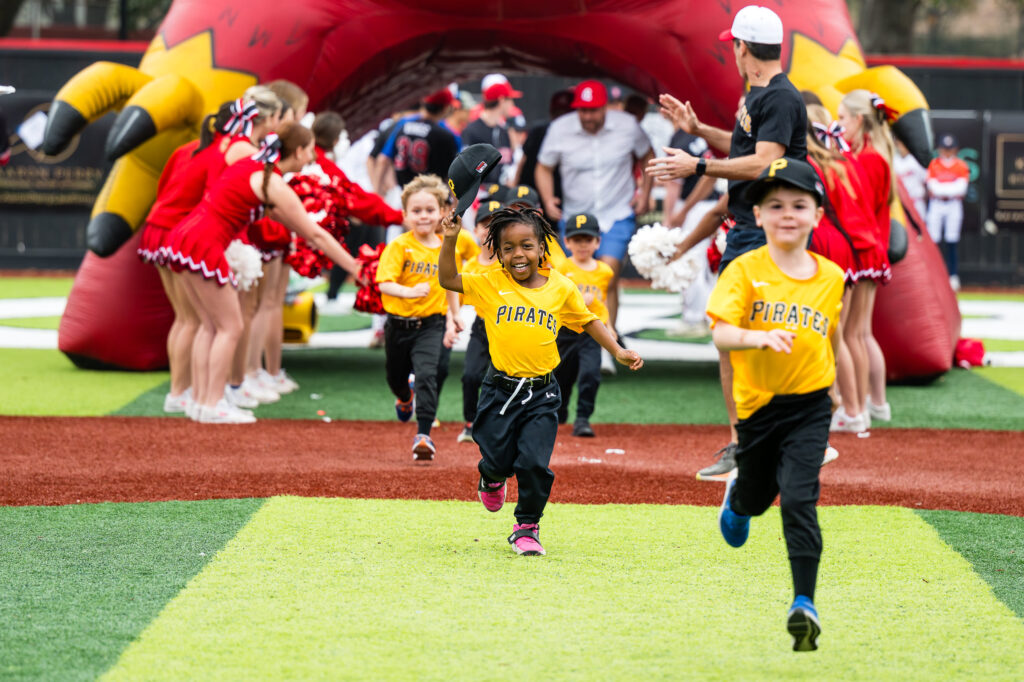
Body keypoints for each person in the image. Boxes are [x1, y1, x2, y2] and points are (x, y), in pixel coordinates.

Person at [440, 151, 643, 556]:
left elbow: (587, 322)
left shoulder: (561, 287)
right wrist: (448, 238)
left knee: (534, 462)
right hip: (499, 390)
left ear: (542, 248)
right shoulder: (487, 281)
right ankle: (492, 478)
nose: (518, 254)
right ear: (496, 250)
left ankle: (527, 526)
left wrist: (617, 350)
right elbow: (447, 277)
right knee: (496, 456)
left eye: (527, 246)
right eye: (509, 247)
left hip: (542, 394)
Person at [647, 5, 807, 480]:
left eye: (732, 44)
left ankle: (768, 439)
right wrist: (699, 133)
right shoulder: (761, 95)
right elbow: (744, 154)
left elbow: (762, 163)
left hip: (762, 233)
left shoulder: (777, 97)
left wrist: (696, 164)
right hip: (747, 228)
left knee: (740, 340)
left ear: (742, 47)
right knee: (739, 341)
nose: (731, 52)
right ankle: (761, 439)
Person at [707, 157, 843, 652]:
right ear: (758, 215)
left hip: (810, 407)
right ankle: (739, 496)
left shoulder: (831, 277)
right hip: (759, 409)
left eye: (799, 205)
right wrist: (758, 338)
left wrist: (839, 394)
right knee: (759, 498)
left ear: (817, 214)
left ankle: (804, 603)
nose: (788, 214)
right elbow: (720, 331)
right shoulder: (745, 269)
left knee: (800, 497)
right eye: (776, 205)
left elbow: (832, 337)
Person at [166, 122, 363, 423]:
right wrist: (353, 267)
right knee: (230, 327)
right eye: (309, 151)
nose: (311, 158)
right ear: (298, 151)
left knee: (210, 325)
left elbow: (289, 222)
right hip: (204, 243)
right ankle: (212, 403)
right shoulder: (272, 182)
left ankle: (202, 401)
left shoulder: (254, 165)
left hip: (186, 236)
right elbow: (316, 235)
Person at [536, 79, 653, 337]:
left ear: (605, 107)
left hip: (617, 212)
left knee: (607, 274)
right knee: (572, 276)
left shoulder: (627, 125)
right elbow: (543, 166)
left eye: (593, 110)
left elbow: (647, 155)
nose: (587, 116)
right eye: (583, 110)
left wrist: (645, 192)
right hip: (576, 214)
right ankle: (572, 333)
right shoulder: (559, 129)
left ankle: (606, 337)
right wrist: (547, 199)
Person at [375, 174, 460, 460]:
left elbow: (451, 285)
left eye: (430, 210)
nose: (423, 216)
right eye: (417, 211)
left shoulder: (447, 248)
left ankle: (424, 434)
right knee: (395, 377)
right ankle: (403, 395)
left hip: (431, 324)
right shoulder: (399, 246)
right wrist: (409, 292)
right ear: (405, 215)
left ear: (442, 213)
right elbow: (384, 283)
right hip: (398, 325)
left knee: (427, 375)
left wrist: (454, 317)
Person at [804, 104, 868, 434]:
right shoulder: (838, 160)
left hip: (823, 242)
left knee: (834, 331)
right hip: (845, 245)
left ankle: (847, 406)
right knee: (849, 332)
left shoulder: (809, 163)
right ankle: (857, 406)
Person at [837, 89, 894, 425]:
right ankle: (875, 405)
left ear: (859, 120)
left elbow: (857, 211)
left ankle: (855, 408)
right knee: (861, 333)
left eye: (843, 118)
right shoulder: (877, 155)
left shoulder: (867, 159)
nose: (838, 125)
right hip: (871, 249)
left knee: (852, 335)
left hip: (861, 249)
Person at [553, 213, 615, 437]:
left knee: (590, 374)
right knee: (561, 375)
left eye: (587, 240)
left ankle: (582, 418)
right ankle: (558, 414)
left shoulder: (605, 271)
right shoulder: (560, 269)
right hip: (566, 330)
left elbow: (603, 301)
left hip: (592, 331)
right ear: (566, 241)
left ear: (597, 242)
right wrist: (577, 299)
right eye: (576, 239)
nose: (582, 245)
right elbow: (554, 300)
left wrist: (610, 327)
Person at [456, 198, 504, 444]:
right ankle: (470, 422)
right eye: (485, 224)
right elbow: (455, 295)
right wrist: (452, 318)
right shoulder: (471, 266)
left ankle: (501, 424)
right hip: (482, 326)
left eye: (497, 224)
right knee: (471, 376)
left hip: (508, 330)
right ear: (475, 230)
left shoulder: (511, 263)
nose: (490, 229)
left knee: (504, 379)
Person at [376, 89, 460, 189]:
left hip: (403, 193)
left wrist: (377, 191)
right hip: (432, 196)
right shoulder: (446, 135)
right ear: (445, 108)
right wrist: (457, 203)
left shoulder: (403, 126)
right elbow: (452, 175)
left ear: (424, 103)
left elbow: (383, 160)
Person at [926, 133, 969, 291]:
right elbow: (932, 187)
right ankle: (933, 273)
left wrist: (943, 189)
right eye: (944, 149)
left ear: (956, 150)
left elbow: (961, 188)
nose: (947, 153)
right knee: (934, 240)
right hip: (936, 204)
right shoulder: (934, 164)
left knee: (952, 240)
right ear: (939, 149)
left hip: (953, 205)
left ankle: (952, 275)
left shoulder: (961, 165)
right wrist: (948, 189)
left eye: (950, 150)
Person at [462, 78, 522, 185]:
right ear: (502, 100)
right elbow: (465, 169)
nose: (513, 104)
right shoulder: (472, 130)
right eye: (510, 99)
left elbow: (511, 164)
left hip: (501, 195)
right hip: (479, 196)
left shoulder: (505, 131)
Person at [893, 137, 928, 223]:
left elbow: (925, 181)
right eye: (899, 144)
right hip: (901, 204)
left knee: (921, 229)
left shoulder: (917, 159)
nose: (902, 147)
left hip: (917, 202)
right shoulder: (894, 160)